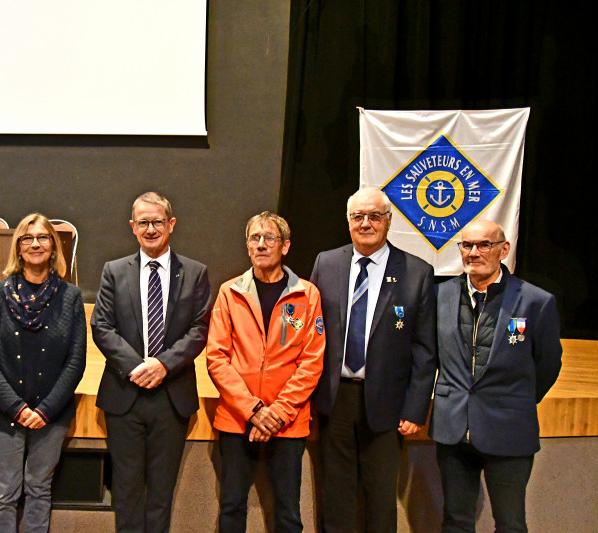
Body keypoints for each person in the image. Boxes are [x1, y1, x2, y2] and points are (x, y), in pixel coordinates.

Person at [310, 187, 437, 532]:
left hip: (387, 402)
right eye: (358, 217)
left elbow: (426, 351)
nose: (366, 223)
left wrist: (415, 408)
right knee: (336, 495)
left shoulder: (417, 272)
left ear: (388, 221)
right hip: (334, 399)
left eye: (374, 216)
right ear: (348, 221)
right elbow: (311, 331)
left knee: (380, 496)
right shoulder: (327, 262)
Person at [429, 219, 562, 533]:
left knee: (510, 523)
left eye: (484, 245)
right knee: (456, 521)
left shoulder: (536, 302)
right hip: (453, 429)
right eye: (467, 245)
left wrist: (513, 401)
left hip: (509, 429)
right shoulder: (439, 296)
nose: (474, 253)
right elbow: (429, 357)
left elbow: (548, 366)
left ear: (504, 249)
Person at [90, 191, 211, 532]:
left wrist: (162, 365)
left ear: (171, 224)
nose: (151, 228)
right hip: (124, 396)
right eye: (143, 222)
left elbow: (200, 329)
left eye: (157, 221)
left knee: (161, 493)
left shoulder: (195, 272)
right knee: (126, 493)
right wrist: (137, 367)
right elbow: (101, 325)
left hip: (171, 397)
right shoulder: (114, 271)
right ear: (132, 227)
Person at [206, 211, 325, 532]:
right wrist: (254, 410)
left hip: (288, 421)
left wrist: (278, 412)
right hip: (237, 419)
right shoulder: (229, 292)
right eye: (254, 238)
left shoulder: (307, 294)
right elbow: (217, 358)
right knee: (231, 505)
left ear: (285, 246)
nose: (261, 245)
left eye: (269, 238)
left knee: (288, 512)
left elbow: (312, 361)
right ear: (247, 246)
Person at [0, 213, 87, 532]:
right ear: (18, 247)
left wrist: (45, 410)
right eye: (27, 238)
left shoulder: (71, 298)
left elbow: (75, 361)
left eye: (42, 237)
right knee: (4, 494)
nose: (35, 244)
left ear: (53, 247)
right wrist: (17, 408)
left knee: (39, 490)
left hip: (51, 415)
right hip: (4, 413)